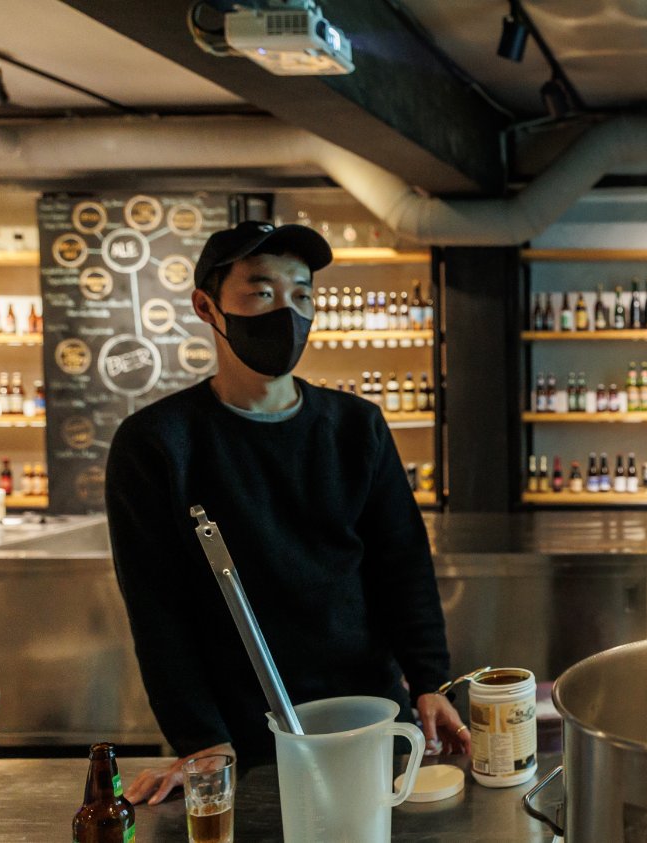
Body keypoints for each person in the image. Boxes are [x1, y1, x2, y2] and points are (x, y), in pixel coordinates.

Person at [105, 221, 467, 805]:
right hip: (243, 737)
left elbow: (402, 566)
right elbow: (157, 608)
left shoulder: (357, 427)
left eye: (302, 294)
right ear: (206, 306)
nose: (288, 311)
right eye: (263, 292)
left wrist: (430, 682)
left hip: (370, 718)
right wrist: (200, 738)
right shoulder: (157, 444)